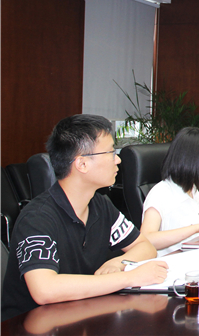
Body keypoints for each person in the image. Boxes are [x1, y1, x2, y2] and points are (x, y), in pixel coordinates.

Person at [1, 115, 167, 321]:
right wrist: (129, 277)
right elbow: (44, 289)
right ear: (82, 164)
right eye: (111, 152)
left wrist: (118, 263)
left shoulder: (100, 205)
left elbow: (145, 246)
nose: (118, 160)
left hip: (81, 316)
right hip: (30, 325)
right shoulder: (37, 218)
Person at [140, 127, 199, 256]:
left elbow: (194, 236)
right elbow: (146, 239)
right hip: (172, 264)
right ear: (192, 160)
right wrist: (196, 228)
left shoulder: (192, 189)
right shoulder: (160, 193)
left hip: (198, 258)